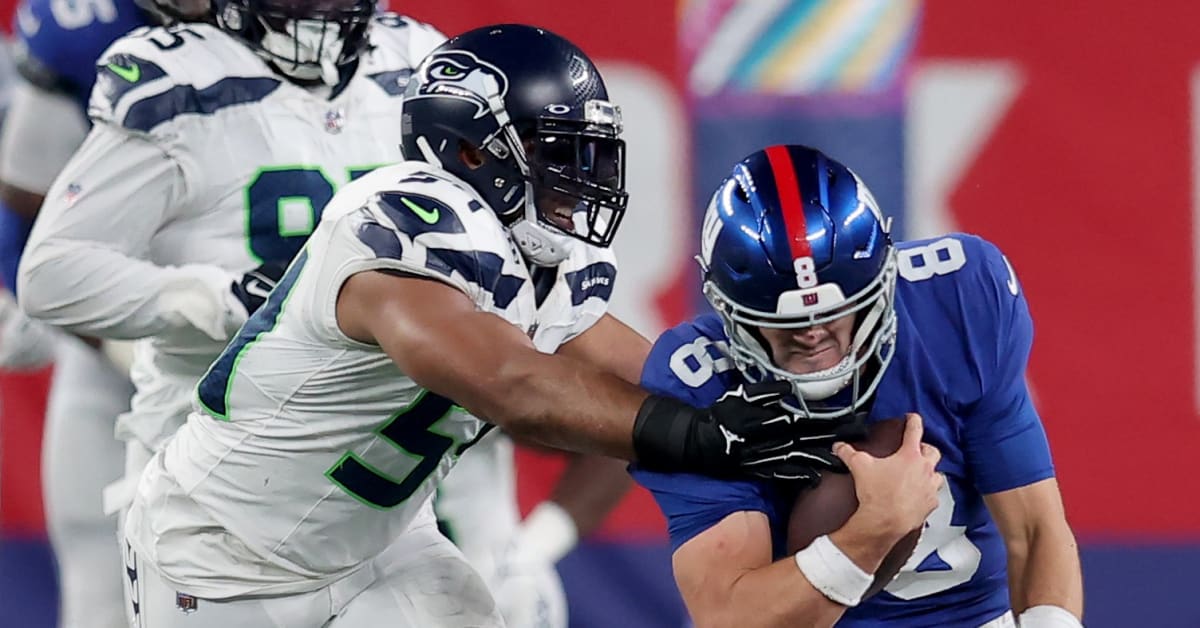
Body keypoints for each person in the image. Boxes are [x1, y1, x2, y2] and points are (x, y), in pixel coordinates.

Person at [111, 25, 834, 627]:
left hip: (381, 542)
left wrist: (782, 418)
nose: (581, 179)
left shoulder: (538, 253)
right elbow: (514, 386)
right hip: (227, 555)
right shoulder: (403, 225)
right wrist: (705, 437)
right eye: (558, 154)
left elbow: (641, 371)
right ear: (469, 151)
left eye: (589, 155)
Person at [14, 0, 444, 622]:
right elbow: (46, 254)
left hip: (362, 458)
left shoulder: (416, 60)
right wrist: (219, 298)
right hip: (204, 446)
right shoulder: (164, 72)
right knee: (97, 599)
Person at [632, 145, 1084, 627]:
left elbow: (1035, 530)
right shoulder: (698, 384)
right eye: (785, 322)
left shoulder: (959, 299)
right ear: (728, 311)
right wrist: (872, 532)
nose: (812, 334)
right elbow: (729, 617)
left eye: (833, 312)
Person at [0, 1, 165, 625]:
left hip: (282, 367)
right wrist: (26, 289)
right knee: (99, 582)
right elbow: (25, 194)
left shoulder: (345, 39)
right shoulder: (84, 25)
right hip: (121, 348)